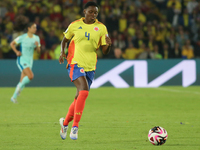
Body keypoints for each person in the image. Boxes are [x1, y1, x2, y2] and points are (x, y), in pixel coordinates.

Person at [58, 1, 111, 140]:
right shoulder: (75, 25)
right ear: (85, 12)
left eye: (96, 13)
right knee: (84, 90)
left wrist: (109, 45)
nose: (93, 15)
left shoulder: (101, 28)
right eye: (91, 12)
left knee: (78, 98)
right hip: (75, 63)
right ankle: (75, 127)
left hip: (91, 66)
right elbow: (64, 39)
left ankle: (64, 124)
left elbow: (105, 51)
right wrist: (62, 52)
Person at [10, 15, 41, 103]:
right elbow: (12, 44)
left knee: (22, 80)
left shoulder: (36, 38)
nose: (35, 29)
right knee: (30, 76)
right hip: (22, 60)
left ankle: (14, 97)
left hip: (30, 61)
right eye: (34, 27)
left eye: (35, 27)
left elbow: (38, 51)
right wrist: (16, 52)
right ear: (29, 28)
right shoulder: (23, 37)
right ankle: (19, 89)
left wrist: (37, 46)